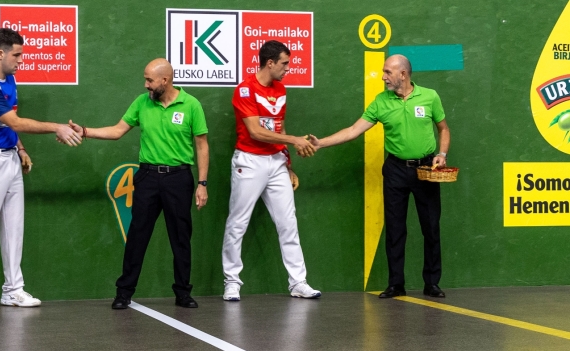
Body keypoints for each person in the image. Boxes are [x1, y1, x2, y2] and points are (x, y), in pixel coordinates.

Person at [0, 28, 82, 313]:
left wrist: (22, 149)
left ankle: (13, 290)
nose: (21, 60)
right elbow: (15, 121)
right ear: (0, 54)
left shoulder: (10, 80)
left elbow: (8, 124)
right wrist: (57, 127)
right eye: (17, 55)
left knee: (13, 228)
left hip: (11, 159)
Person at [70, 58, 209, 310]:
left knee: (180, 237)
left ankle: (183, 292)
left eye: (149, 80)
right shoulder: (141, 103)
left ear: (164, 81)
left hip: (179, 178)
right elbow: (117, 131)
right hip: (147, 178)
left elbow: (201, 145)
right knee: (137, 235)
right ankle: (124, 292)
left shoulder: (191, 105)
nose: (145, 85)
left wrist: (202, 183)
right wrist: (86, 131)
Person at [310, 54, 450, 298]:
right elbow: (354, 130)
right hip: (395, 170)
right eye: (383, 72)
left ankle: (432, 283)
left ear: (403, 74)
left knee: (431, 227)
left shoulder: (430, 96)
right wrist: (321, 143)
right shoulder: (380, 102)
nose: (383, 77)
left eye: (387, 72)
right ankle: (396, 284)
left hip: (426, 170)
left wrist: (442, 153)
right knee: (395, 229)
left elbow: (444, 129)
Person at [221, 40, 321, 302]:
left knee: (288, 223)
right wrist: (295, 141)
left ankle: (298, 282)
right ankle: (232, 282)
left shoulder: (281, 89)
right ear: (270, 63)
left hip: (276, 163)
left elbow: (279, 128)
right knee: (237, 223)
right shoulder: (244, 90)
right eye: (285, 63)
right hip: (249, 162)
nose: (288, 68)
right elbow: (255, 131)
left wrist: (287, 164)